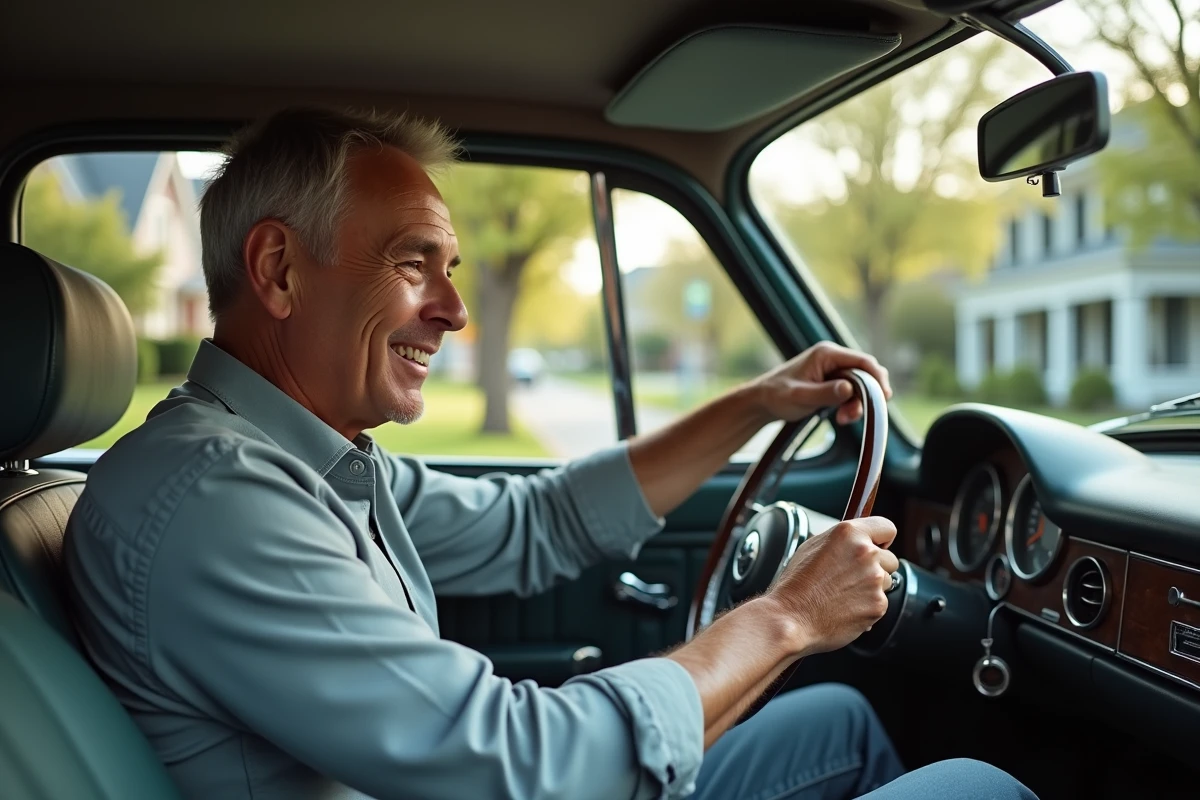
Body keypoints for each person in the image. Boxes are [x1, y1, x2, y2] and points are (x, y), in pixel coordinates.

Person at [64, 108, 1036, 800]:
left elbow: (543, 521)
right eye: (414, 262)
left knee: (836, 724)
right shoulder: (215, 500)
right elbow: (516, 765)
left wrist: (755, 403)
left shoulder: (307, 461)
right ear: (279, 270)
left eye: (450, 269)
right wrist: (786, 616)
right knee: (979, 785)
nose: (453, 309)